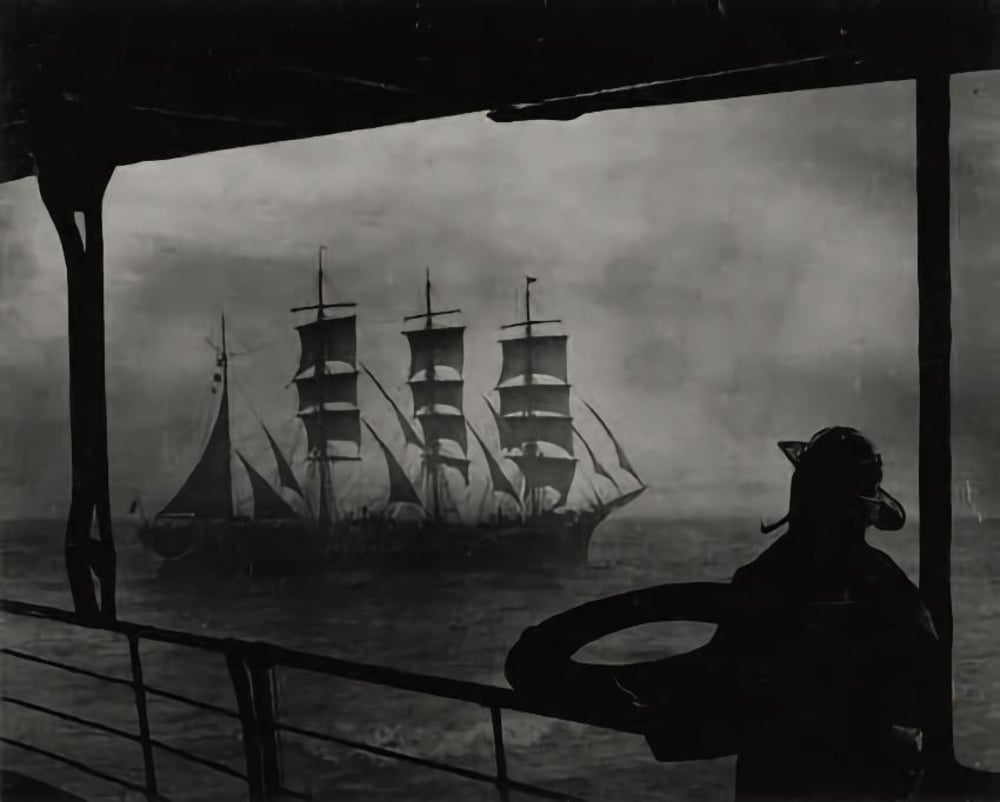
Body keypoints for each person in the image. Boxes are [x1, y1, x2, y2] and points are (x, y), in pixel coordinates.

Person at [505, 426, 939, 800]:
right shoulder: (887, 585)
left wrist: (554, 667)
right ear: (865, 512)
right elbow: (921, 694)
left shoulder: (764, 579)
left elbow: (716, 686)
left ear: (801, 498)